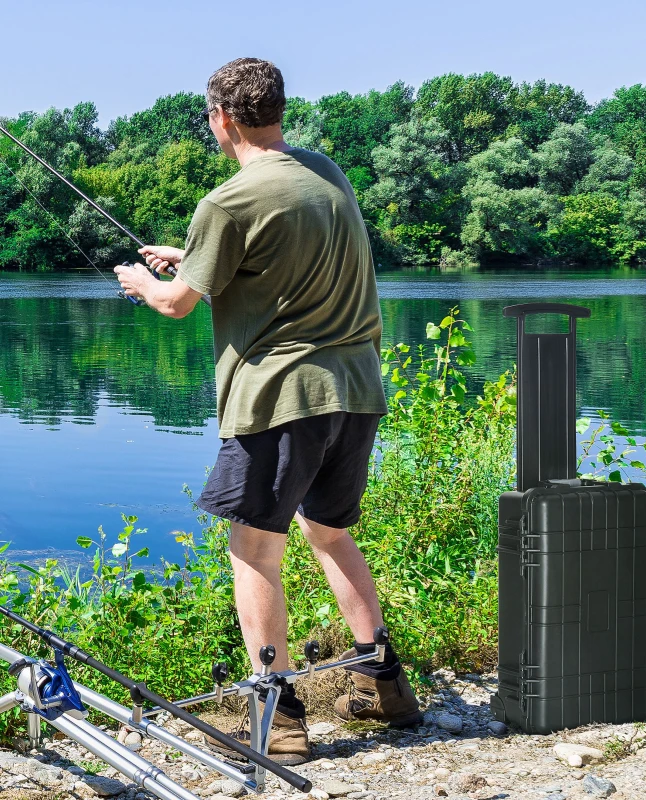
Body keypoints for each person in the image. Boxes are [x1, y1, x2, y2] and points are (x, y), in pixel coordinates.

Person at [115, 57, 422, 766]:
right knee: (331, 532)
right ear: (277, 110)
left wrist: (141, 279)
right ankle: (385, 684)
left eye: (210, 118)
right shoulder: (324, 173)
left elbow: (174, 302)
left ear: (222, 118)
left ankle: (277, 715)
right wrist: (189, 255)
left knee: (255, 549)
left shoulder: (227, 202)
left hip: (283, 399)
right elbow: (263, 256)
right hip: (356, 392)